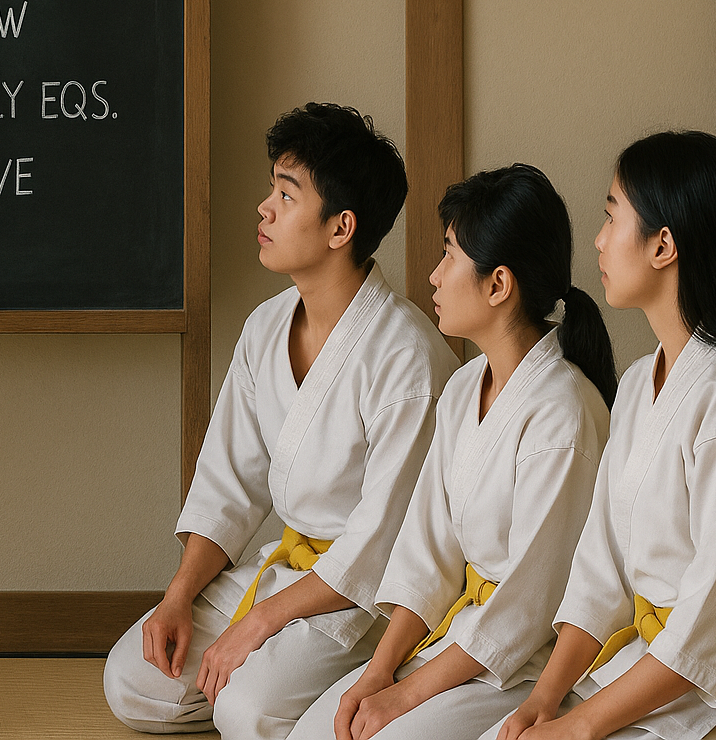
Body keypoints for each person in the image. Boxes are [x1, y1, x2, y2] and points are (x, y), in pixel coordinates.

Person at [104, 102, 460, 740]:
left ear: (340, 227)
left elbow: (380, 545)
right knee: (132, 679)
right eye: (272, 188)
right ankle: (276, 686)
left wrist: (260, 623)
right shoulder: (265, 326)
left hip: (366, 599)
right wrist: (179, 595)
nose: (264, 209)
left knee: (247, 709)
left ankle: (309, 690)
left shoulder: (406, 356)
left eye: (287, 195)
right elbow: (228, 486)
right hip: (287, 571)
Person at [488, 131, 716, 740]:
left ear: (663, 245)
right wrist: (545, 699)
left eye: (611, 216)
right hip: (643, 671)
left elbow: (710, 628)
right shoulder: (641, 382)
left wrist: (578, 728)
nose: (598, 240)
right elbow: (600, 572)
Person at [290, 164, 615, 740]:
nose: (434, 276)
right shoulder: (465, 387)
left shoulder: (563, 413)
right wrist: (379, 671)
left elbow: (528, 606)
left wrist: (405, 696)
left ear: (498, 284)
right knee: (316, 732)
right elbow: (426, 555)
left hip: (521, 663)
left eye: (449, 256)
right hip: (460, 634)